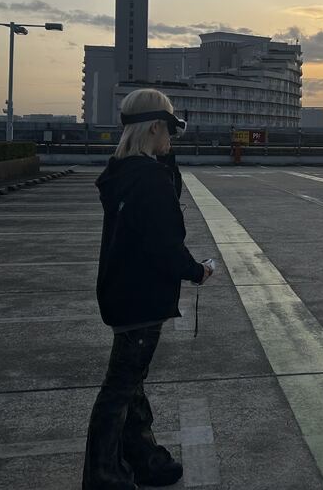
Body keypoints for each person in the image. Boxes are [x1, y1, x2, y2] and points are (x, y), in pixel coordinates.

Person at [82, 88, 212, 490]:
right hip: (142, 296)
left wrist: (164, 160)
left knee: (131, 383)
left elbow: (155, 216)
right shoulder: (150, 179)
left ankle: (144, 458)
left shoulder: (122, 173)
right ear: (155, 127)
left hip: (121, 292)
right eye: (168, 128)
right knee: (120, 389)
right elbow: (165, 241)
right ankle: (104, 475)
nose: (171, 137)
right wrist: (197, 271)